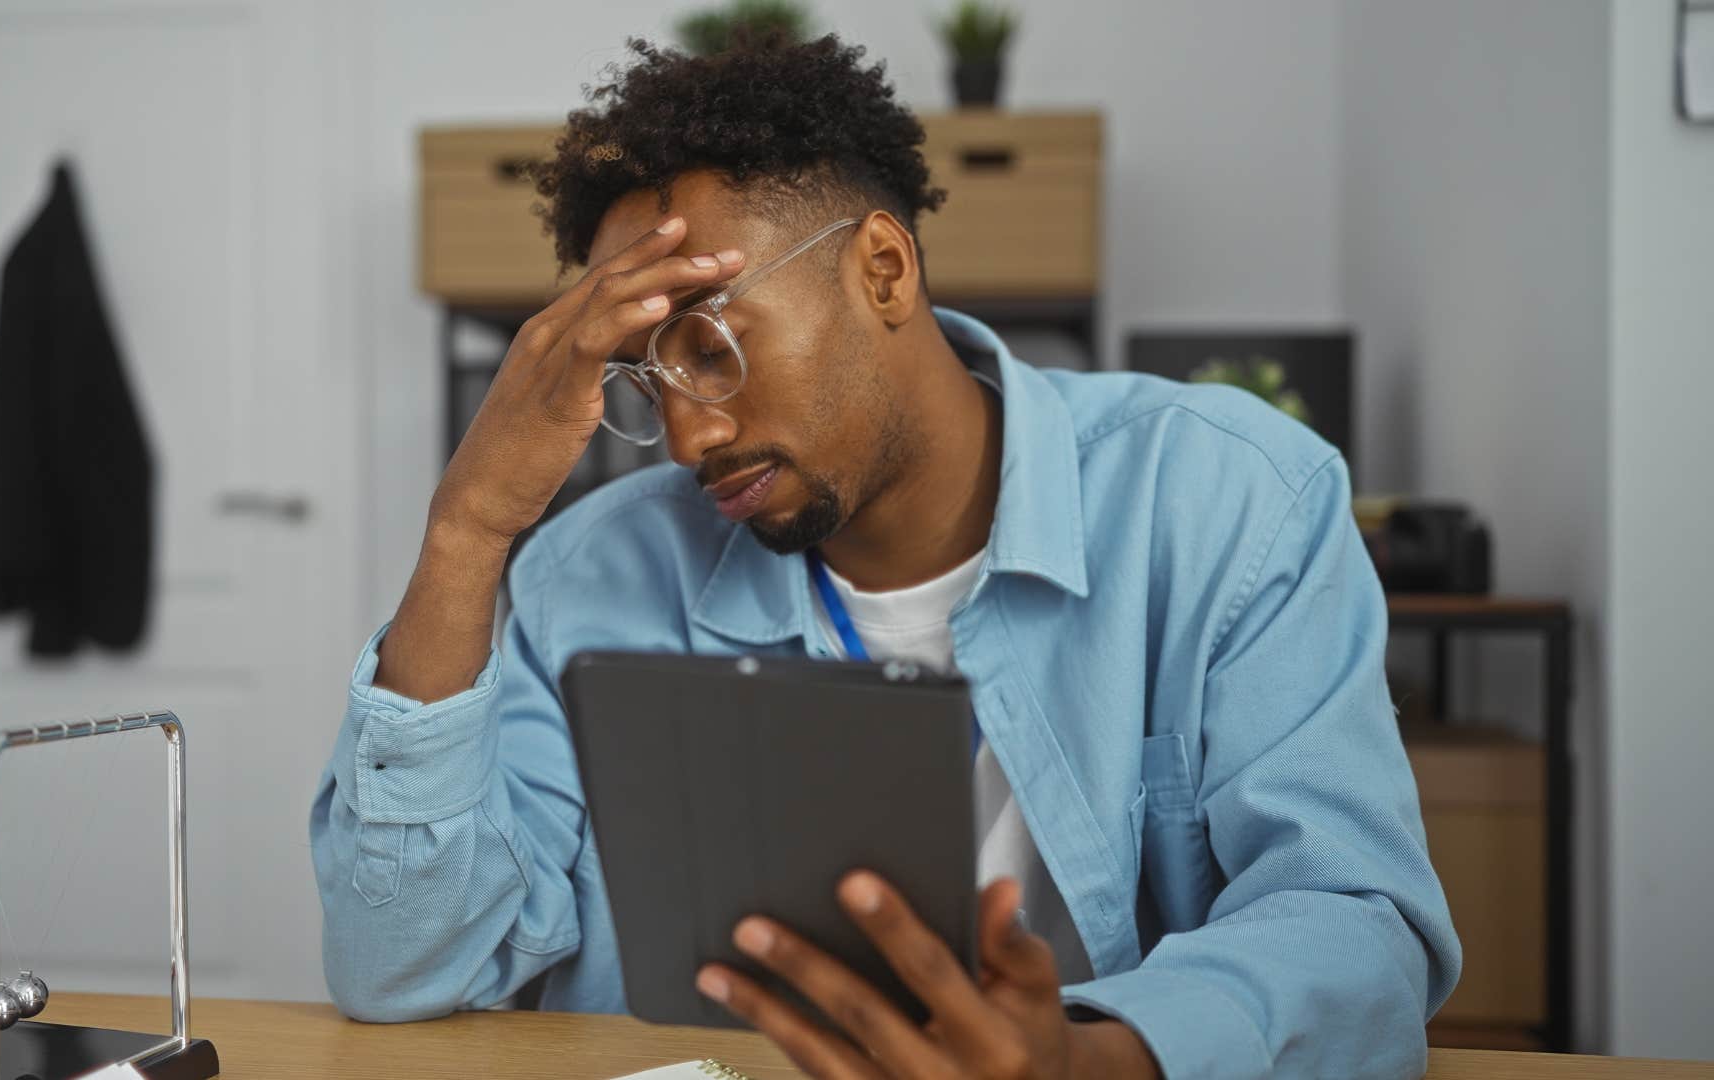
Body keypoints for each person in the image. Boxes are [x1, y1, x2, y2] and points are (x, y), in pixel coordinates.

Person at [311, 32, 1460, 1080]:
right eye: (647, 380)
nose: (690, 435)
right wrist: (466, 531)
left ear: (883, 270)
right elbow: (402, 968)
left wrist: (1080, 1062)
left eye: (712, 347)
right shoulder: (592, 574)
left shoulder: (1228, 500)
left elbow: (1354, 927)